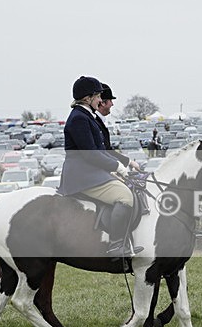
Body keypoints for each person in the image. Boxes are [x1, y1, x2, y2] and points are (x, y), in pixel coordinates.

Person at [59, 76, 142, 258]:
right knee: (125, 197)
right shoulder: (79, 118)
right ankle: (115, 245)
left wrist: (121, 164)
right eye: (97, 96)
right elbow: (91, 154)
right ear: (88, 98)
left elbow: (101, 150)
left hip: (90, 173)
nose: (100, 99)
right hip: (83, 177)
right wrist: (118, 167)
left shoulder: (86, 116)